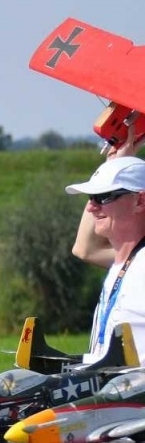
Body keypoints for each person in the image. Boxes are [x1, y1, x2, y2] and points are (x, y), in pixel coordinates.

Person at [66, 153, 145, 364]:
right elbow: (84, 249)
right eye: (90, 198)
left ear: (140, 200)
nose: (92, 207)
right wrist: (114, 163)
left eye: (103, 196)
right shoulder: (127, 259)